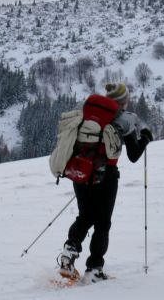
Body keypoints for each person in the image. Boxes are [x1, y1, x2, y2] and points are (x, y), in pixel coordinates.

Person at [58, 82, 152, 282]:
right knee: (102, 223)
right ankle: (94, 269)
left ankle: (69, 251)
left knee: (85, 215)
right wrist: (145, 138)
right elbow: (134, 155)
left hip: (81, 171)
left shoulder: (86, 111)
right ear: (123, 100)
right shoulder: (123, 119)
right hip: (106, 176)